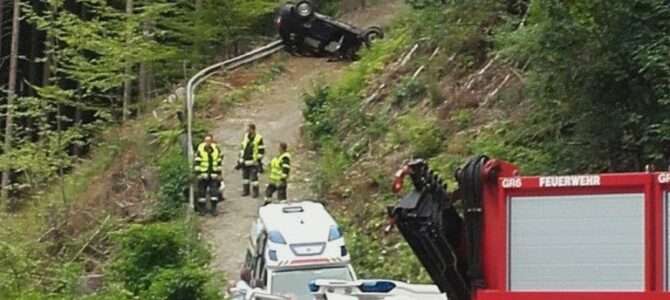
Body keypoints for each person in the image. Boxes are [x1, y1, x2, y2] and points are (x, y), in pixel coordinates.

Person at [194, 134, 224, 216]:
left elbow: (218, 162)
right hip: (203, 175)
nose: (208, 143)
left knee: (214, 193)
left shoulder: (216, 149)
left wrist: (219, 174)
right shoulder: (200, 149)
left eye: (209, 141)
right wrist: (198, 174)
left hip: (213, 175)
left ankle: (213, 209)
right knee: (201, 194)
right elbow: (197, 162)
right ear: (204, 141)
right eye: (206, 141)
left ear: (212, 141)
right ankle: (202, 210)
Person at [236, 124, 265, 198]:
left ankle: (255, 192)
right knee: (245, 178)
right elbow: (243, 148)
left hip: (253, 161)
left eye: (249, 129)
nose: (248, 131)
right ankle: (246, 191)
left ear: (253, 129)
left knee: (254, 179)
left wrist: (258, 160)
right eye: (247, 129)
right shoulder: (246, 136)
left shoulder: (258, 138)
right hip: (245, 161)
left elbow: (261, 150)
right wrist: (240, 159)